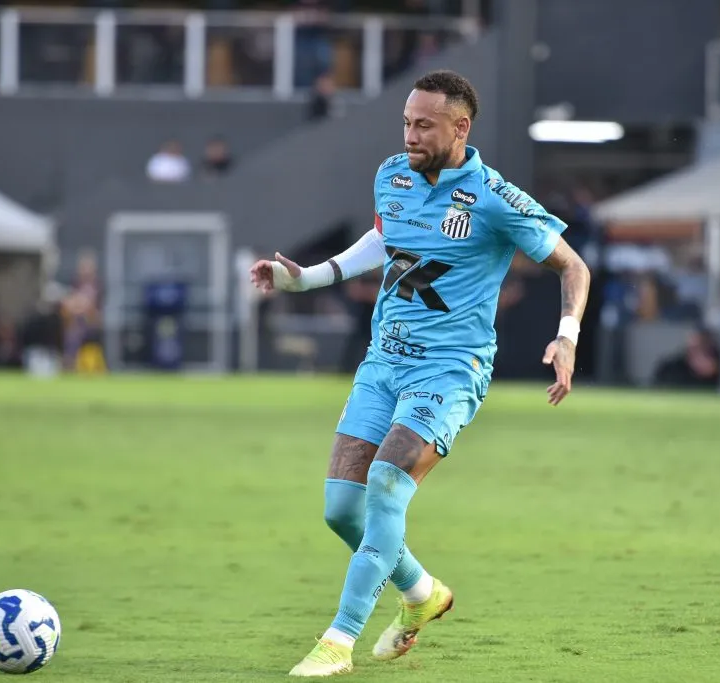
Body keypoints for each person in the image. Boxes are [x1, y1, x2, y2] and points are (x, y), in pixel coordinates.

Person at [249, 69, 591, 677]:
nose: (410, 134)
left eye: (424, 125)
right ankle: (422, 594)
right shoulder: (392, 175)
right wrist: (307, 278)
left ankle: (338, 640)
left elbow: (573, 268)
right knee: (340, 511)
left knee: (385, 489)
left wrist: (566, 338)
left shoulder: (493, 197)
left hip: (449, 371)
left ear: (460, 128)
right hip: (383, 363)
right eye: (407, 122)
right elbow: (384, 241)